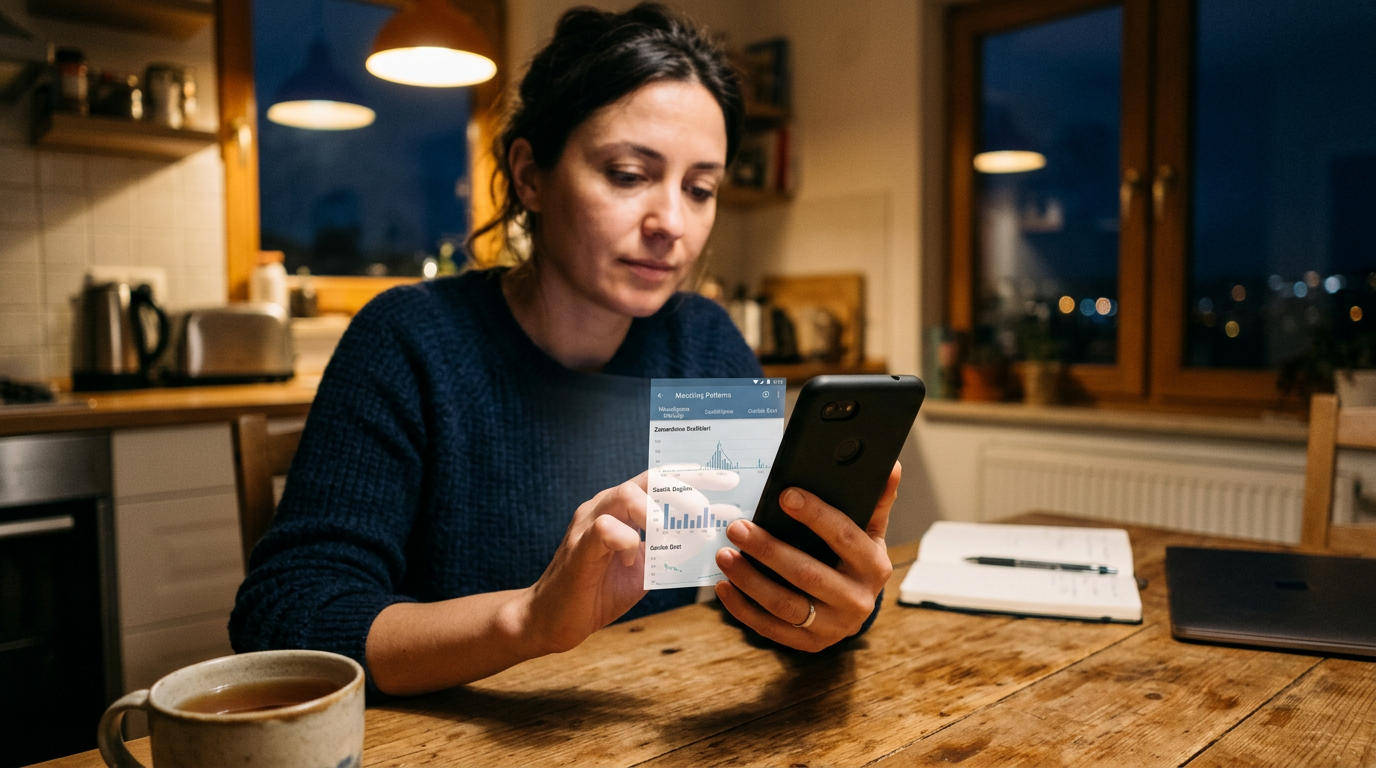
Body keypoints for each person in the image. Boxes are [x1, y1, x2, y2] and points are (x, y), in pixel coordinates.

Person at [230, 3, 898, 697]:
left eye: (700, 189)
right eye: (628, 174)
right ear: (530, 176)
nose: (671, 222)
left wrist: (831, 603)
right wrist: (527, 619)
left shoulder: (701, 342)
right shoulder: (410, 341)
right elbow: (284, 620)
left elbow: (751, 595)